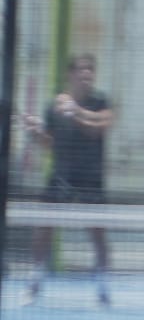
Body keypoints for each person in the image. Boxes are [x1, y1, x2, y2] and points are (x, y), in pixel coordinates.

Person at [20, 53, 115, 305]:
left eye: (91, 70)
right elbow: (50, 143)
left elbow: (101, 126)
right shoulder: (54, 106)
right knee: (43, 228)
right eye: (82, 70)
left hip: (90, 178)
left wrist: (76, 112)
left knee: (98, 234)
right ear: (70, 74)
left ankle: (102, 288)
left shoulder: (100, 101)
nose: (87, 75)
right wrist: (34, 133)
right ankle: (35, 282)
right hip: (61, 176)